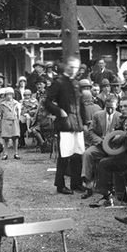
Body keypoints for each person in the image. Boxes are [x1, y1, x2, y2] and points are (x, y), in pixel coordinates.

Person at [44, 56, 86, 195]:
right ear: (66, 67)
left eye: (76, 67)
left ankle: (76, 183)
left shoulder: (76, 83)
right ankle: (60, 185)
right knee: (64, 156)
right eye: (71, 67)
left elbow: (81, 105)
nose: (74, 70)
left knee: (77, 155)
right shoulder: (59, 82)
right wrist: (59, 111)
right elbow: (47, 101)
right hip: (65, 124)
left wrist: (85, 122)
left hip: (77, 124)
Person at [91, 97, 127, 206]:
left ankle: (107, 197)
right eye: (121, 107)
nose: (122, 109)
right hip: (125, 154)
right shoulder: (125, 118)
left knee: (104, 164)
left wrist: (120, 138)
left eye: (126, 106)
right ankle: (112, 194)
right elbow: (118, 130)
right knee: (104, 160)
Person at [80, 96, 121, 199]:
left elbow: (122, 134)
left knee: (115, 159)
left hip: (114, 147)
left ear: (116, 106)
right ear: (105, 106)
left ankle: (114, 187)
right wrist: (100, 141)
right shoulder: (97, 115)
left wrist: (114, 141)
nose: (110, 109)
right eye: (108, 107)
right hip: (100, 145)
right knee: (87, 154)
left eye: (112, 107)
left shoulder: (120, 117)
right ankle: (88, 186)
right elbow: (91, 131)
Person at [0, 87, 21, 160]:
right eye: (7, 94)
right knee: (5, 138)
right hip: (5, 121)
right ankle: (5, 153)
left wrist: (18, 119)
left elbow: (19, 112)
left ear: (13, 95)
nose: (9, 96)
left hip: (14, 120)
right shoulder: (2, 103)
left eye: (10, 94)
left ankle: (16, 153)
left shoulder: (16, 103)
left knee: (15, 137)